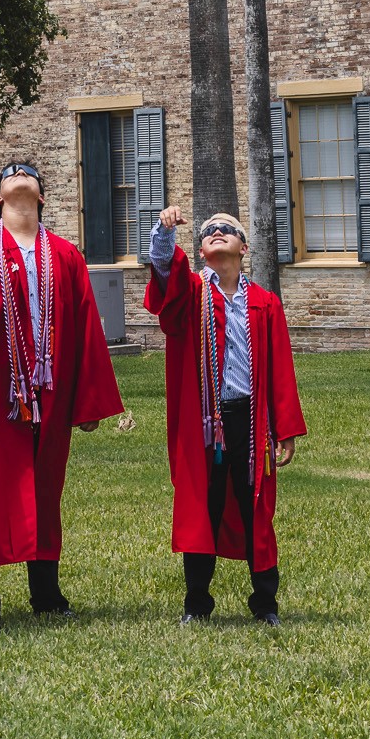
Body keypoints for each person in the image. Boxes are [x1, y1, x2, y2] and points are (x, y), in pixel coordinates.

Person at [0, 160, 123, 628]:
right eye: (10, 173)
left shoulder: (65, 254)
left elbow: (86, 327)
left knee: (45, 490)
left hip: (50, 392)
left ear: (41, 194)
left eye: (28, 172)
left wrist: (89, 401)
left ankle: (46, 594)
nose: (19, 173)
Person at [144, 205, 305, 626]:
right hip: (203, 423)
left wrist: (285, 428)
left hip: (250, 422)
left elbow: (280, 369)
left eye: (227, 228)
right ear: (200, 250)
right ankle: (197, 604)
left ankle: (265, 604)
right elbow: (164, 275)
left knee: (256, 511)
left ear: (243, 248)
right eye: (208, 230)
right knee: (203, 508)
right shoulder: (192, 294)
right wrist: (164, 233)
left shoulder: (265, 303)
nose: (217, 231)